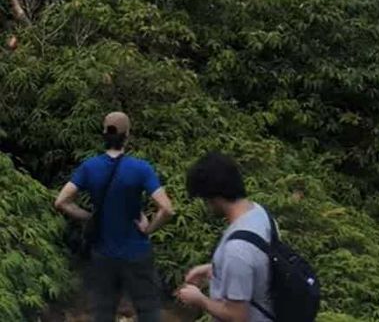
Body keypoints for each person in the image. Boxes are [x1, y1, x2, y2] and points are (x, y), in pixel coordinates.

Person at [54, 111, 174, 322]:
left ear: (104, 134)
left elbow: (61, 201)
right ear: (128, 135)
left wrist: (87, 216)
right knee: (148, 311)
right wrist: (149, 228)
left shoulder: (89, 167)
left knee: (103, 312)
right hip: (137, 253)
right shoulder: (141, 169)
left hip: (103, 254)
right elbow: (167, 209)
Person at [177, 153, 273, 322]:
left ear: (214, 197)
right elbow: (258, 266)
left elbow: (237, 317)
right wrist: (212, 268)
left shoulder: (237, 250)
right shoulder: (259, 213)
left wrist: (200, 299)